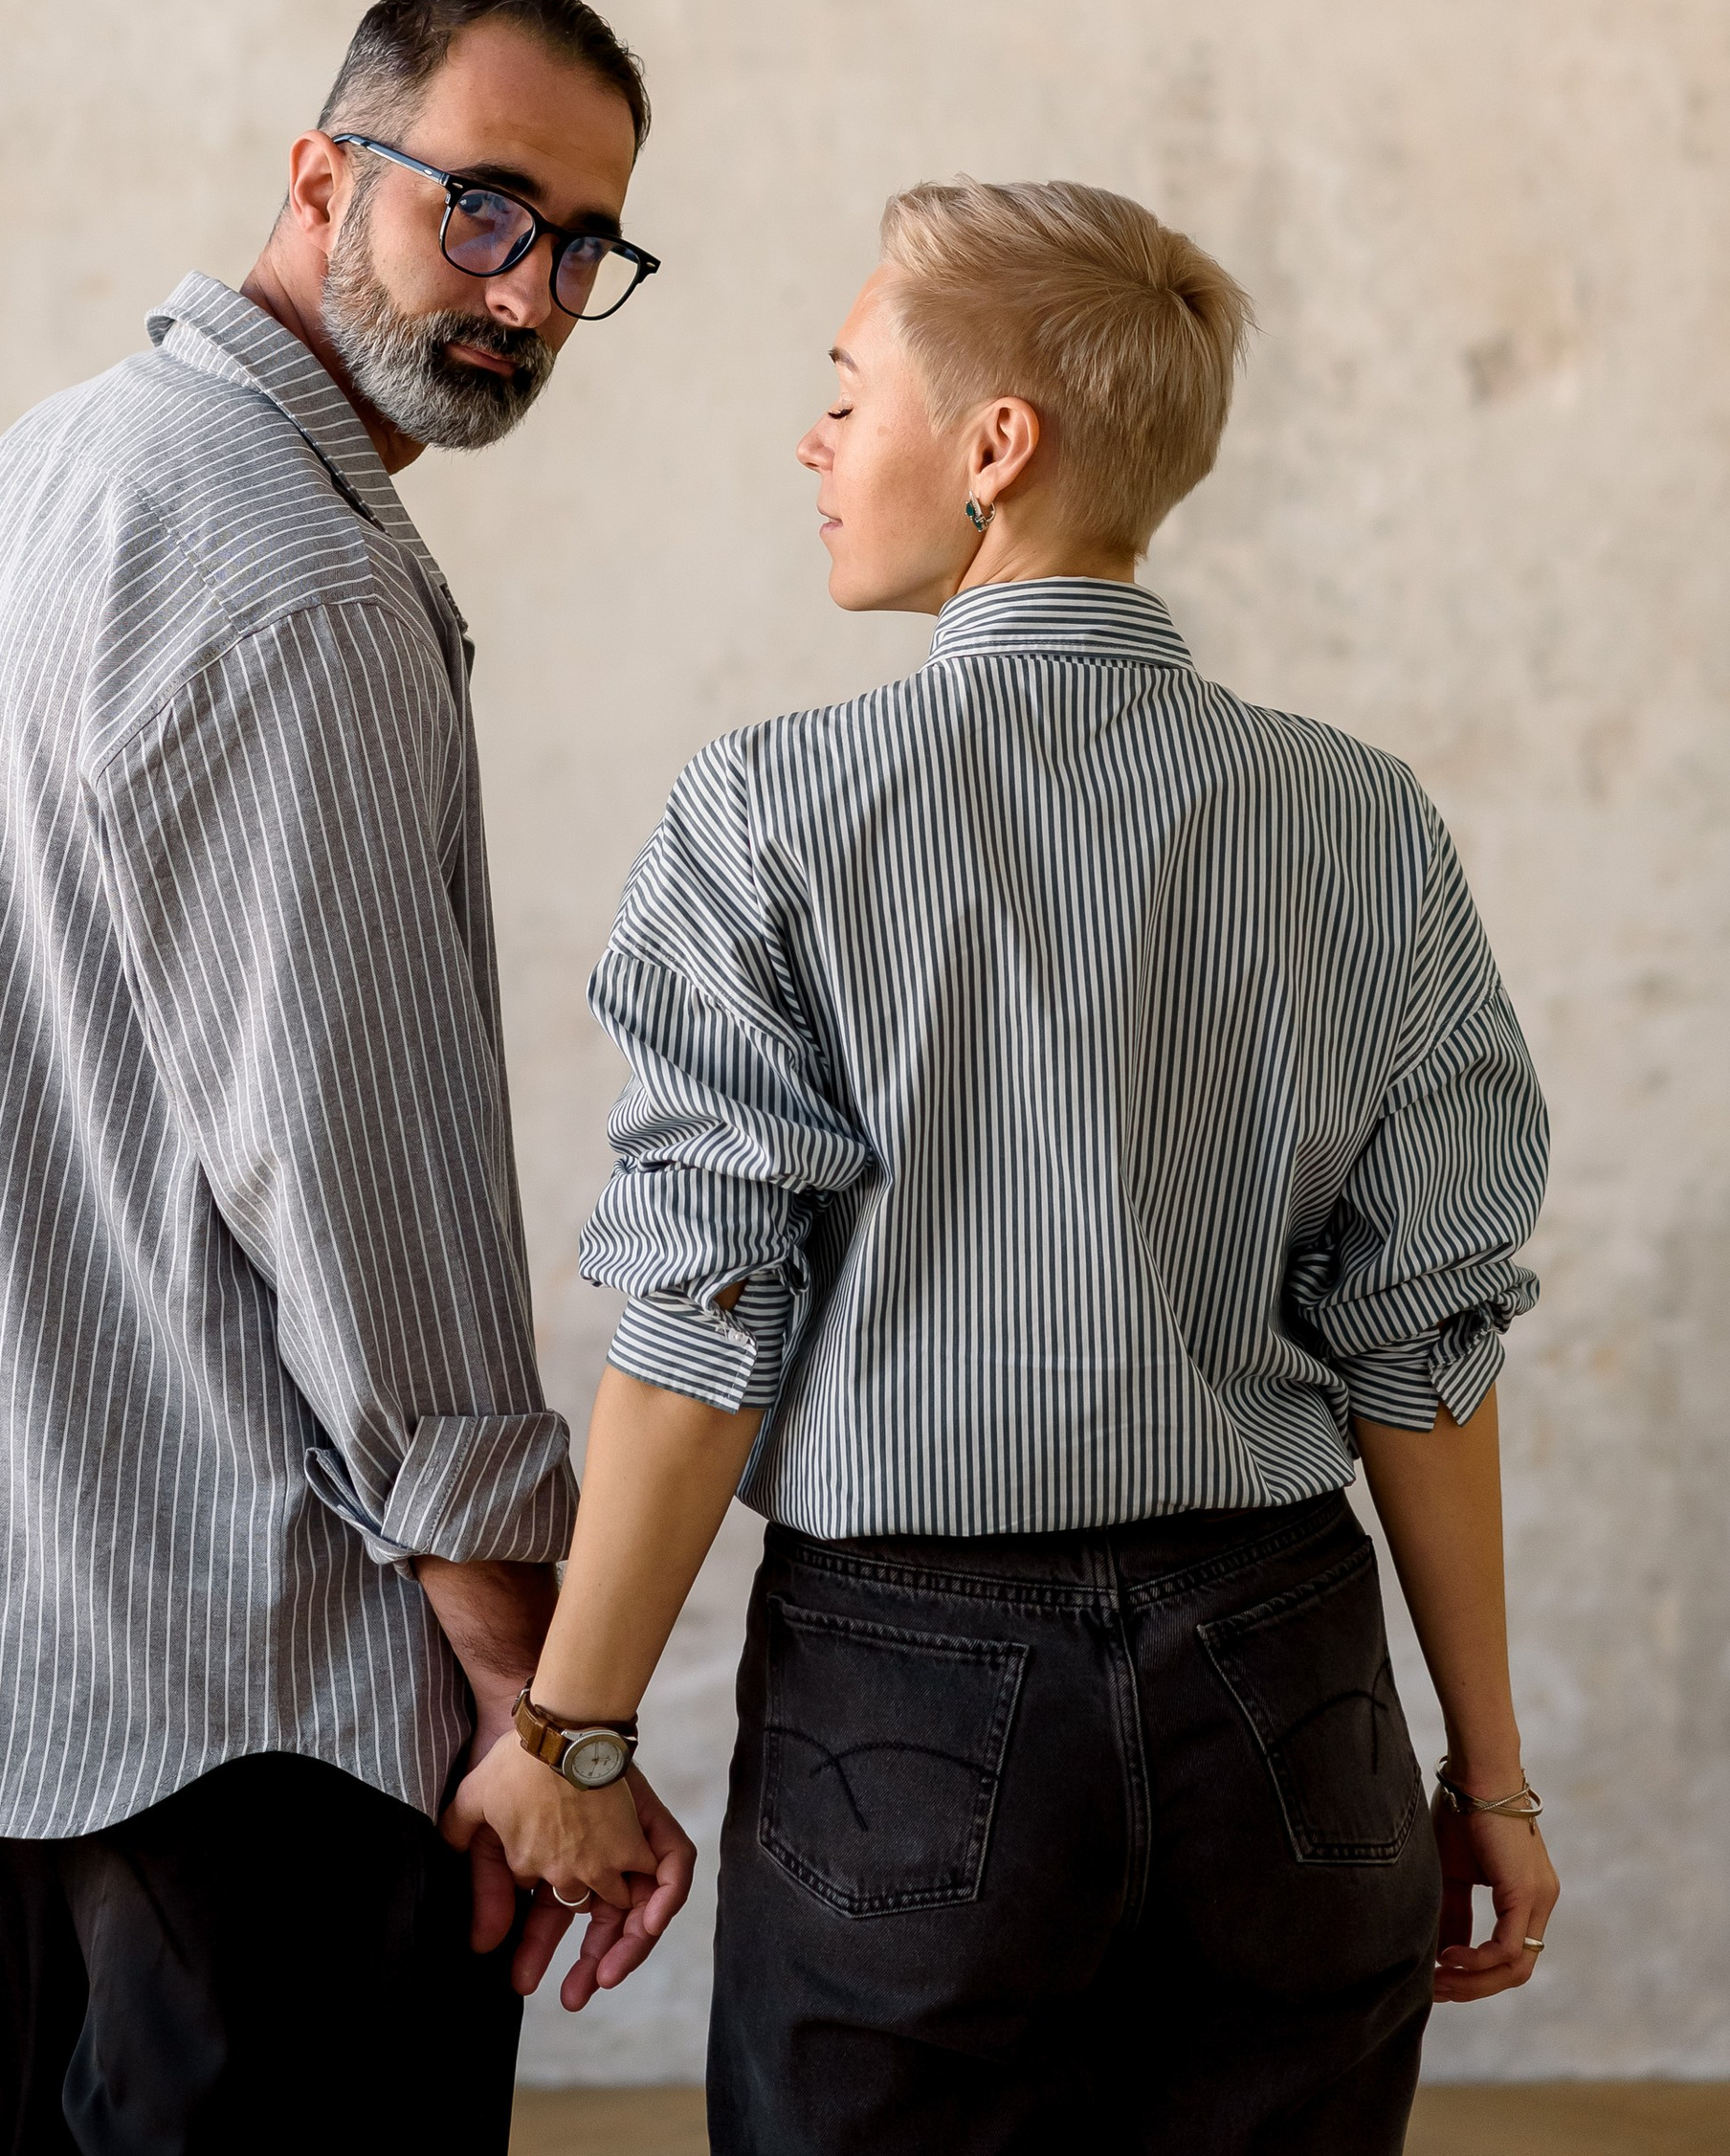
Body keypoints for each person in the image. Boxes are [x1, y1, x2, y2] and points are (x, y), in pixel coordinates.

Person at [455, 178, 1556, 2153]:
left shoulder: (769, 814)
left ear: (992, 447)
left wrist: (571, 1730)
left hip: (913, 1695)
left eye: (846, 387)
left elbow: (709, 1317)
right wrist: (1486, 1775)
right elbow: (1422, 1348)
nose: (812, 438)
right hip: (1290, 1684)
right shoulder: (1359, 821)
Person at [0, 0, 695, 2156]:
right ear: (322, 173)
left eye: (583, 248)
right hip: (248, 1668)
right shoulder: (287, 570)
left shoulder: (22, 484)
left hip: (19, 1613)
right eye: (483, 208)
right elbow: (355, 1180)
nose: (528, 292)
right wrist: (535, 1693)